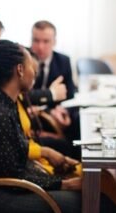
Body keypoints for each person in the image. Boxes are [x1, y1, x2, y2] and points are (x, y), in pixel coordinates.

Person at [0, 39, 116, 213]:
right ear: (20, 70)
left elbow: (18, 158)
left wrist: (59, 172)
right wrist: (64, 184)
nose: (35, 71)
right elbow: (13, 178)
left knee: (96, 191)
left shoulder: (6, 104)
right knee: (92, 200)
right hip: (4, 199)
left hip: (13, 188)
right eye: (31, 65)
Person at [29, 20, 80, 149]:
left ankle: (78, 161)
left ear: (54, 42)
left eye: (46, 41)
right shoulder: (23, 60)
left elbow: (70, 94)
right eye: (36, 40)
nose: (40, 47)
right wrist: (47, 110)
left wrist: (64, 111)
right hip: (31, 115)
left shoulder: (63, 61)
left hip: (55, 114)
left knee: (77, 119)